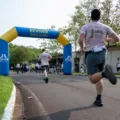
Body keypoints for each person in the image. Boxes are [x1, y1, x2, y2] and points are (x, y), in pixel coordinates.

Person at [78, 9, 119, 107]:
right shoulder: (105, 27)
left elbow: (80, 40)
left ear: (91, 16)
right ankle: (99, 99)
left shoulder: (85, 27)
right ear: (99, 17)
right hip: (102, 53)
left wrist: (82, 48)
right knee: (98, 75)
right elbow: (117, 39)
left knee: (92, 79)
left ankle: (105, 73)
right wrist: (107, 39)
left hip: (91, 54)